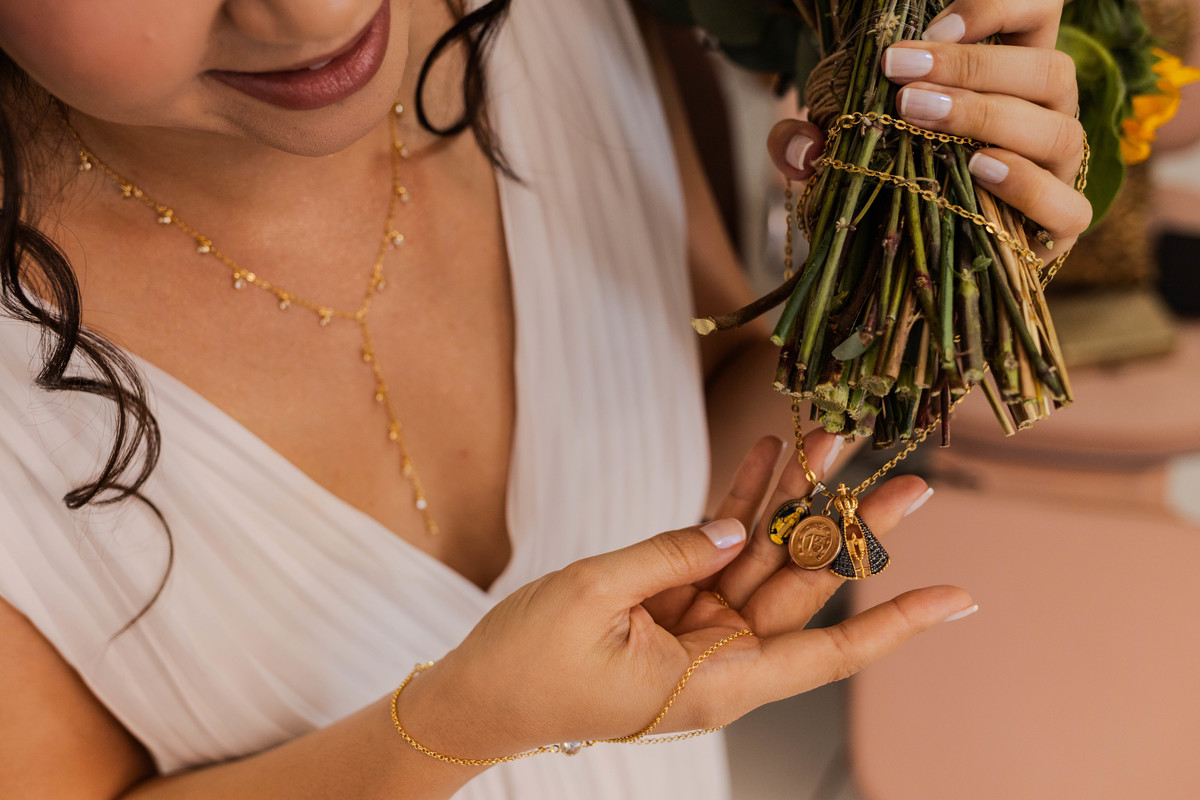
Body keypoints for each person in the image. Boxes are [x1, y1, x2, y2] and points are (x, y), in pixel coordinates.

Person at [0, 0, 1089, 798]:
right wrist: (455, 727)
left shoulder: (553, 26)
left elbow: (693, 422)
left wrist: (932, 253)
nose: (314, 13)